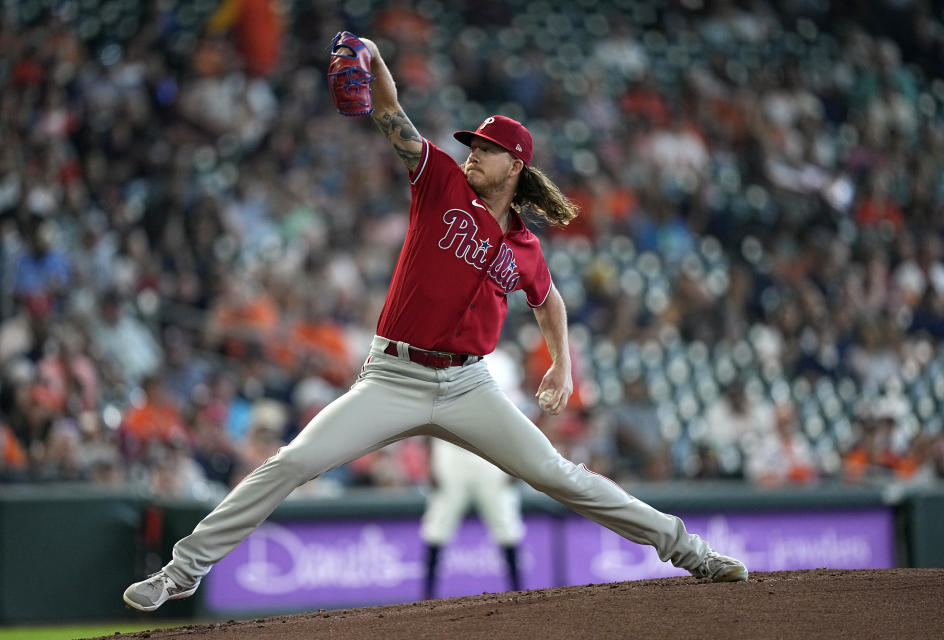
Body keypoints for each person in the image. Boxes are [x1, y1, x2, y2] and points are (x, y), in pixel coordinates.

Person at [123, 33, 747, 613]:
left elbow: (549, 301)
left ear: (516, 166)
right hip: (391, 376)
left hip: (469, 386)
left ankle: (689, 552)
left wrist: (561, 362)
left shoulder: (526, 249)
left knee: (562, 476)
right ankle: (179, 573)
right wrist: (370, 54)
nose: (472, 153)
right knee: (291, 462)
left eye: (486, 149)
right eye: (472, 145)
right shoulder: (439, 182)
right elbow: (391, 112)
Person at [420, 350, 527, 600]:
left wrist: (515, 461)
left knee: (506, 523)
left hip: (491, 452)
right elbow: (428, 411)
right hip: (451, 451)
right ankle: (426, 600)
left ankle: (520, 595)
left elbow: (513, 415)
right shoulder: (441, 356)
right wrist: (430, 461)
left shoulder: (502, 362)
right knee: (438, 524)